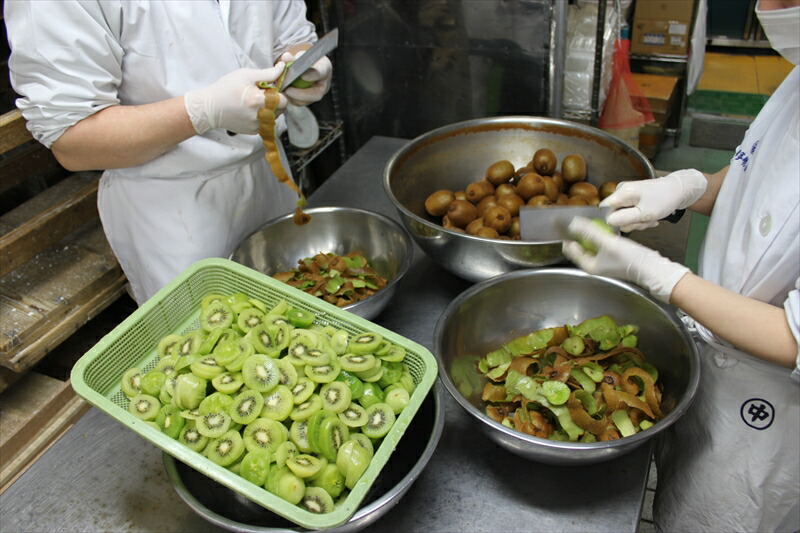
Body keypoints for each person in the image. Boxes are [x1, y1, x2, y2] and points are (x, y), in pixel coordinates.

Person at [563, 1, 799, 531]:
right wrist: (685, 189)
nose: (769, 7)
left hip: (771, 418)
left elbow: (795, 338)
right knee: (676, 487)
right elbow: (757, 181)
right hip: (711, 349)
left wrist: (662, 276)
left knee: (717, 516)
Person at [4, 0, 332, 305]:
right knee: (214, 349)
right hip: (173, 211)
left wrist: (301, 64)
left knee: (297, 313)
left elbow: (287, 38)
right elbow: (73, 141)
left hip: (267, 177)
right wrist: (202, 111)